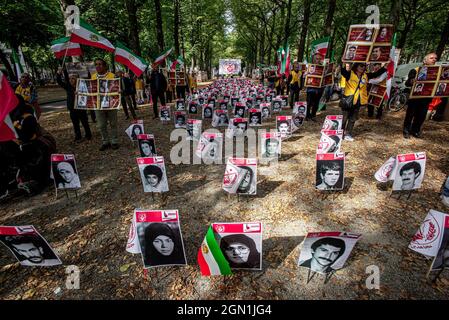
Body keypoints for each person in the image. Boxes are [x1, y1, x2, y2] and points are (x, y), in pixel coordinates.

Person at [339, 62, 387, 141]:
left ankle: (348, 134)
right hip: (348, 99)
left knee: (352, 118)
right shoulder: (349, 74)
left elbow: (376, 74)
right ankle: (340, 133)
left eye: (364, 66)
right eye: (361, 65)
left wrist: (385, 66)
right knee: (344, 118)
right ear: (356, 66)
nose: (363, 67)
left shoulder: (366, 75)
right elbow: (342, 70)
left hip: (359, 100)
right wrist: (343, 60)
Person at [403, 52, 438, 138]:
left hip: (426, 98)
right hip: (415, 98)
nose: (434, 60)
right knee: (410, 114)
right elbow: (407, 83)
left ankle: (415, 130)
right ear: (425, 60)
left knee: (421, 116)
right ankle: (406, 130)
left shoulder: (437, 72)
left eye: (435, 58)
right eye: (432, 58)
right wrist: (411, 81)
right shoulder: (415, 70)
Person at [56, 67, 92, 142]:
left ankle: (88, 135)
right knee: (75, 123)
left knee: (84, 122)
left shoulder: (82, 86)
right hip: (72, 108)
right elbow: (59, 82)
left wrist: (88, 71)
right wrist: (58, 74)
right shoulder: (68, 87)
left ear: (77, 79)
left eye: (73, 78)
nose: (71, 80)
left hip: (81, 108)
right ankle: (78, 136)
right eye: (70, 78)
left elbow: (89, 81)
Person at [92, 59, 119, 151]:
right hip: (98, 105)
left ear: (104, 66)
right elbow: (90, 90)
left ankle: (114, 141)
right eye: (96, 64)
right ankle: (105, 142)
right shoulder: (93, 77)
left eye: (100, 64)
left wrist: (119, 90)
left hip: (111, 103)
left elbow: (117, 88)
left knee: (113, 123)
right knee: (101, 125)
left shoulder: (112, 75)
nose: (98, 66)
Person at [306, 52, 325, 121]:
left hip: (320, 89)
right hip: (311, 89)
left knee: (316, 103)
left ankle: (313, 115)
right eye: (317, 59)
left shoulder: (323, 68)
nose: (318, 60)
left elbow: (326, 78)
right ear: (313, 59)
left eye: (320, 59)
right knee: (309, 103)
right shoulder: (309, 66)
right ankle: (307, 115)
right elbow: (305, 76)